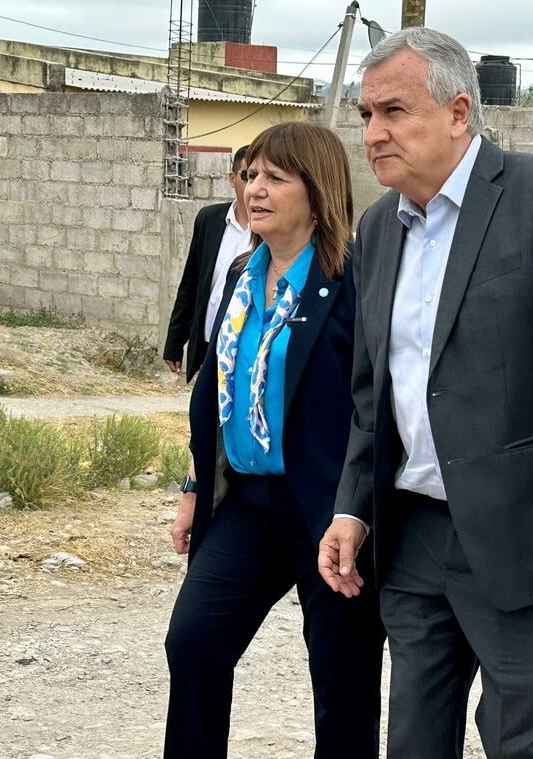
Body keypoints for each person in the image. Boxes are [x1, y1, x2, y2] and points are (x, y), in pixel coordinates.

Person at [317, 28, 533, 759]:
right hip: (411, 538)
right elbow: (376, 393)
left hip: (524, 539)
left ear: (458, 112)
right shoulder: (379, 229)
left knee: (519, 742)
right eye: (365, 114)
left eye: (393, 112)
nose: (373, 133)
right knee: (412, 741)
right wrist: (350, 506)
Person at [163, 123, 384, 759]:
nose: (254, 190)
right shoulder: (240, 273)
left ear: (317, 192)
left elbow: (374, 403)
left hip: (330, 513)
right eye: (250, 175)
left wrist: (358, 509)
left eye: (274, 179)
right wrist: (194, 487)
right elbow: (215, 392)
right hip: (250, 506)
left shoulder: (351, 280)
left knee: (341, 680)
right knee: (195, 643)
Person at [163, 145, 252, 383]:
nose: (253, 184)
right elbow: (190, 283)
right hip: (206, 341)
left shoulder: (270, 229)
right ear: (232, 179)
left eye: (260, 176)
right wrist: (175, 341)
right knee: (202, 414)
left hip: (244, 346)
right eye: (247, 176)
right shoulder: (210, 220)